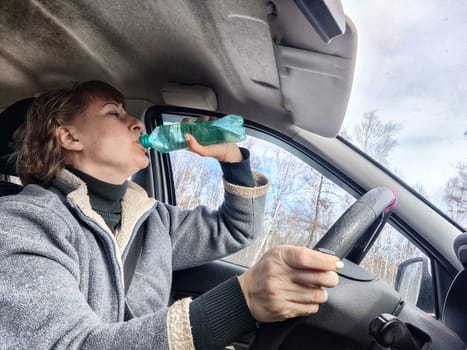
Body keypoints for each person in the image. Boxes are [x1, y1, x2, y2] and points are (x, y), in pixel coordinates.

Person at [0, 80, 343, 350]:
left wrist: (233, 161)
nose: (135, 122)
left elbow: (236, 228)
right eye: (114, 114)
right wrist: (243, 301)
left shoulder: (154, 220)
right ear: (70, 136)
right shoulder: (23, 224)